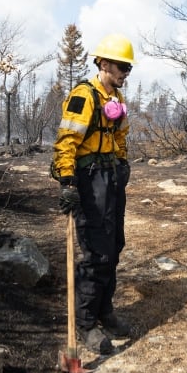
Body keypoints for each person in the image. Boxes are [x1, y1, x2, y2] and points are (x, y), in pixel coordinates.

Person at [51, 33, 135, 355]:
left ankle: (105, 312)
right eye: (121, 67)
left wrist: (123, 164)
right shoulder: (83, 96)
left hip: (112, 178)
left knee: (114, 246)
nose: (125, 73)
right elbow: (66, 141)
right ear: (103, 63)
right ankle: (85, 323)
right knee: (95, 252)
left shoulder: (117, 101)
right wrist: (68, 183)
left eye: (128, 68)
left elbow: (122, 136)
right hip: (88, 180)